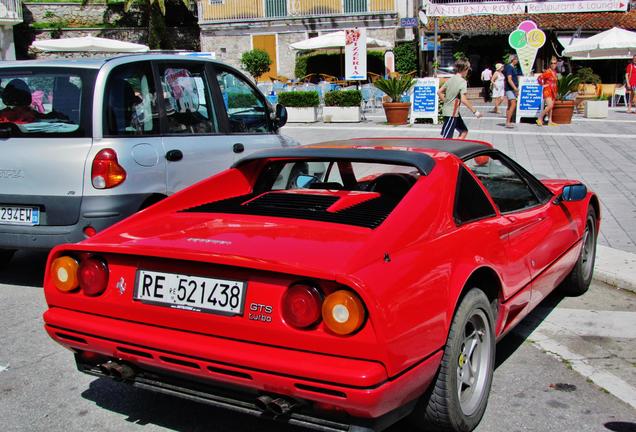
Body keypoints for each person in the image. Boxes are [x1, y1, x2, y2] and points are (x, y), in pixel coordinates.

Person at [438, 58, 482, 139]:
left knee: (464, 131)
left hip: (452, 112)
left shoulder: (450, 79)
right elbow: (464, 99)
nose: (468, 71)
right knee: (447, 138)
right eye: (468, 69)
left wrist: (446, 101)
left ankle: (455, 149)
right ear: (465, 69)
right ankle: (445, 151)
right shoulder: (462, 82)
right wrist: (475, 111)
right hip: (452, 113)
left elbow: (439, 92)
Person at [536, 56, 559, 126]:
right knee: (550, 105)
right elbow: (539, 78)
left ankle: (550, 121)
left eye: (555, 63)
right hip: (547, 90)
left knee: (551, 107)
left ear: (557, 64)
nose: (553, 64)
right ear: (550, 64)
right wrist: (542, 85)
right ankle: (540, 118)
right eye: (552, 63)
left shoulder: (554, 72)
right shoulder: (548, 71)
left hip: (553, 91)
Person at [504, 54, 520, 128]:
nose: (517, 61)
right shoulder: (510, 68)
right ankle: (508, 122)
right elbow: (509, 79)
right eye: (516, 59)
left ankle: (508, 121)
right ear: (513, 60)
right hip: (510, 88)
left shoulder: (512, 67)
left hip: (510, 88)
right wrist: (515, 88)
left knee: (510, 105)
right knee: (513, 103)